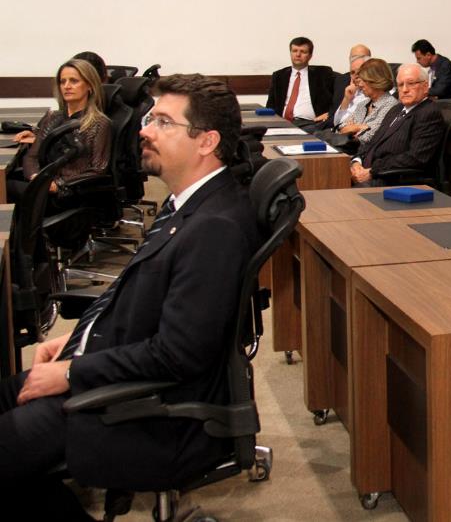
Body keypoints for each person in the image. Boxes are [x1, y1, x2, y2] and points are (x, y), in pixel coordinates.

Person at [0, 74, 259, 518]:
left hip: (149, 411)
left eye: (163, 122)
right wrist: (78, 338)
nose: (144, 130)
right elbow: (138, 298)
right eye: (150, 118)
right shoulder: (187, 206)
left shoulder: (214, 227)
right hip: (112, 369)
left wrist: (72, 371)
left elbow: (178, 355)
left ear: (206, 141)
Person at [8, 58, 111, 203]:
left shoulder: (100, 123)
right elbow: (32, 156)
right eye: (63, 82)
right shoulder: (52, 117)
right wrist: (35, 177)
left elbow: (98, 169)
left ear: (89, 86)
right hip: (44, 183)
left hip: (70, 191)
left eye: (74, 81)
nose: (67, 86)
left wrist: (58, 185)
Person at [349, 64, 446, 186]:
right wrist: (356, 161)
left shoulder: (428, 113)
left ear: (425, 86)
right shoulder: (396, 109)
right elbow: (373, 141)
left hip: (392, 179)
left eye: (411, 83)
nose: (405, 89)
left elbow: (415, 158)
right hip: (370, 171)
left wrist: (372, 171)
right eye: (400, 85)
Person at [266, 36, 335, 131]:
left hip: (310, 123)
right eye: (294, 51)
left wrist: (330, 113)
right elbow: (270, 105)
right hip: (282, 123)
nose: (298, 54)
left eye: (303, 52)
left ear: (310, 55)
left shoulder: (322, 74)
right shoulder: (279, 76)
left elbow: (337, 98)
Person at [333, 58, 399, 146]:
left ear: (376, 80)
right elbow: (339, 129)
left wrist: (352, 128)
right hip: (348, 149)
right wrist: (359, 127)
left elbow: (368, 137)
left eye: (364, 80)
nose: (360, 84)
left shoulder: (391, 105)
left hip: (366, 152)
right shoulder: (363, 104)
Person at [328, 44, 372, 128]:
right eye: (352, 72)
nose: (356, 75)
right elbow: (336, 121)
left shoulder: (374, 92)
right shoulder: (342, 81)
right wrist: (346, 99)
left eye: (361, 57)